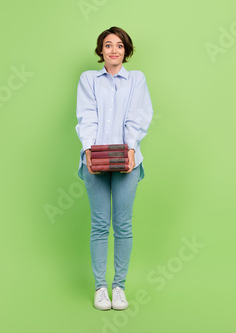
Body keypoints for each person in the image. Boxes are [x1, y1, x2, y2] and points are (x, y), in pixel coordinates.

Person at [75, 26, 153, 311]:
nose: (114, 50)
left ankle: (119, 286)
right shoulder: (88, 79)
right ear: (100, 51)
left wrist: (131, 148)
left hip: (127, 160)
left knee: (122, 224)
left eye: (119, 45)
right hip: (95, 158)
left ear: (126, 50)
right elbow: (87, 116)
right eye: (108, 45)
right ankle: (100, 288)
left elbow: (138, 115)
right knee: (99, 224)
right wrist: (89, 152)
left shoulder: (136, 79)